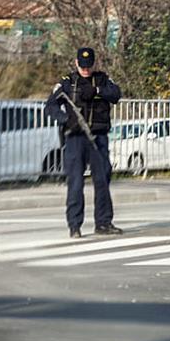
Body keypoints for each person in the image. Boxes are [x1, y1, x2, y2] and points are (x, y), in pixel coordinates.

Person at [46, 47, 122, 238]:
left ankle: (103, 223)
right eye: (82, 65)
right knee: (75, 182)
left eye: (89, 66)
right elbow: (50, 106)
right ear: (76, 62)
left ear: (94, 63)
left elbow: (116, 94)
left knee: (102, 180)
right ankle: (74, 225)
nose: (85, 69)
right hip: (75, 138)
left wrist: (97, 91)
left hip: (97, 137)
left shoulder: (103, 80)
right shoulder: (67, 83)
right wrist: (65, 119)